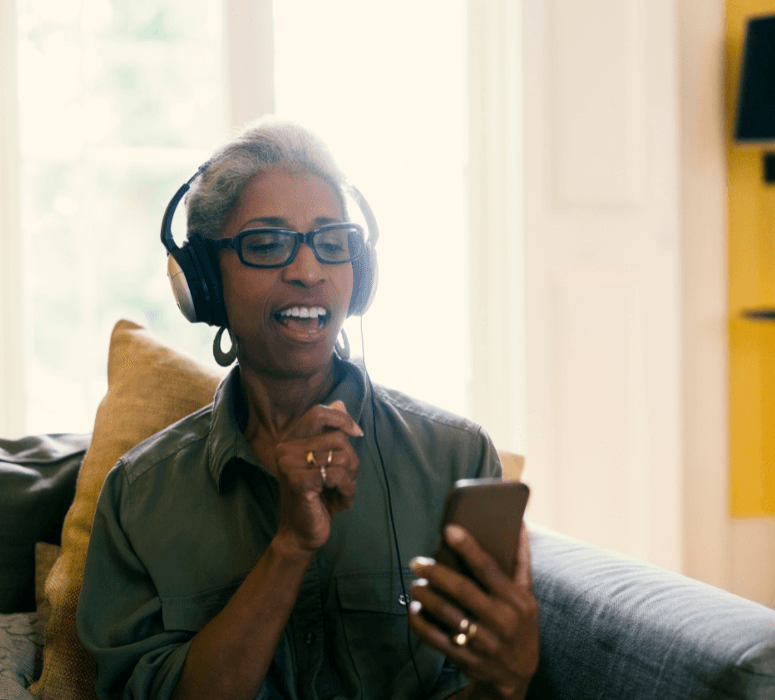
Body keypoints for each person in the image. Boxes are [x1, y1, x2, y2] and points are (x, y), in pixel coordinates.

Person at [76, 118, 540, 700]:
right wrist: (290, 547)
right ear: (205, 282)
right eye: (267, 245)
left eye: (332, 243)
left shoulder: (455, 458)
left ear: (359, 273)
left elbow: (470, 683)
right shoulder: (138, 498)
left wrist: (506, 681)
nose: (308, 271)